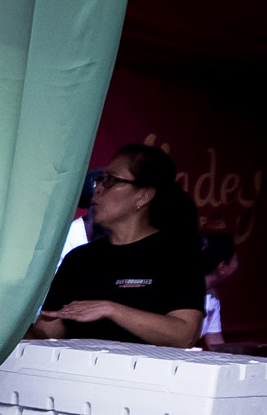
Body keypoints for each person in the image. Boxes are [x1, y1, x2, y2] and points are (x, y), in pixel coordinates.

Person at [31, 144, 205, 347]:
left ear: (143, 196)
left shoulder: (177, 254)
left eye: (111, 180)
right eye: (99, 180)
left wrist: (110, 309)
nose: (98, 189)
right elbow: (50, 331)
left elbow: (184, 334)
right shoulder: (79, 258)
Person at [196, 231, 235, 351]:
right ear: (222, 267)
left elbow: (215, 342)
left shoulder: (212, 297)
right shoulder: (179, 292)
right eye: (236, 259)